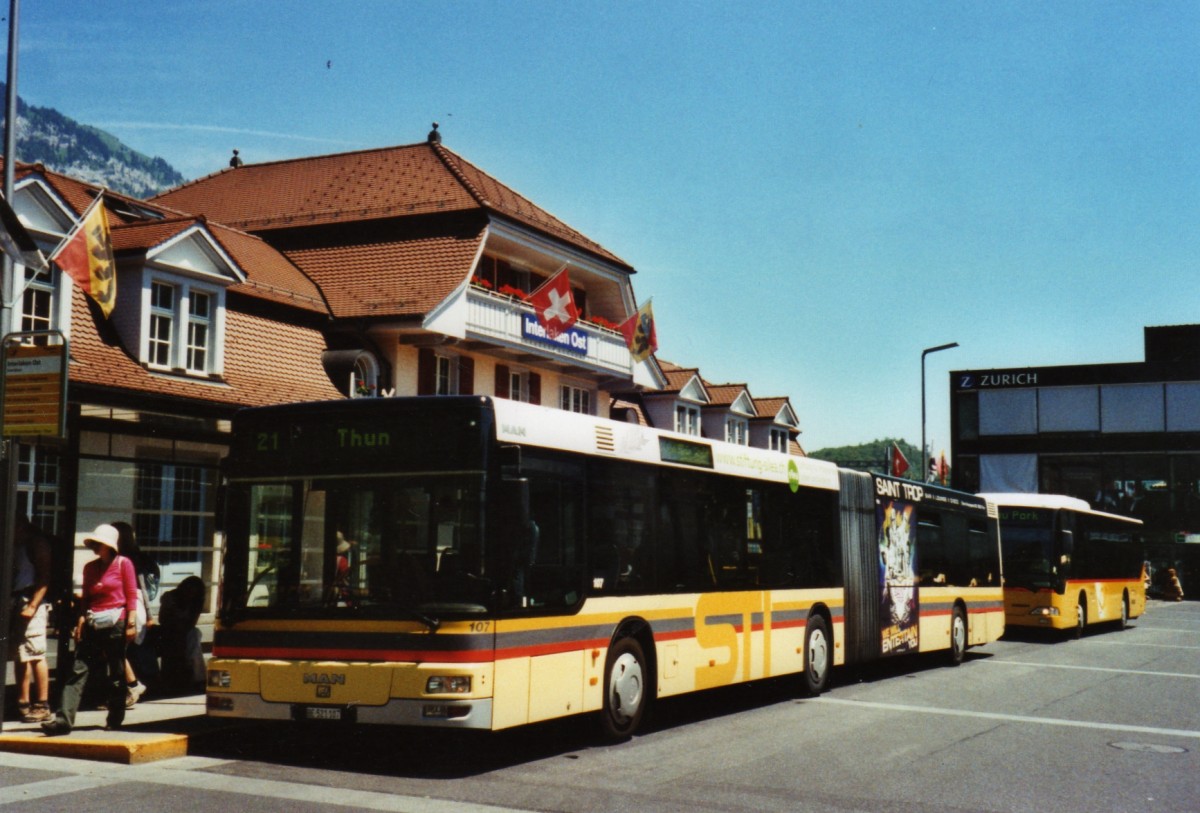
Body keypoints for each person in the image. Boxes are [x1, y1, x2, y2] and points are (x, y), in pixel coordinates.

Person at [42, 524, 138, 736]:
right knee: (78, 669)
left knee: (116, 671)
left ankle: (115, 717)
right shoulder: (90, 568)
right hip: (94, 622)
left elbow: (131, 596)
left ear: (109, 545)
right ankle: (63, 720)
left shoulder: (124, 564)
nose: (95, 547)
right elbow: (86, 598)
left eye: (99, 543)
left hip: (117, 622)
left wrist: (131, 623)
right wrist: (81, 621)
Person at [10, 515, 53, 724]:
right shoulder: (16, 545)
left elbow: (45, 576)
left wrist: (33, 605)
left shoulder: (36, 544)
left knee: (36, 653)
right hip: (17, 599)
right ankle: (23, 700)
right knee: (21, 653)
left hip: (31, 599)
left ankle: (42, 703)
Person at [113, 521, 159, 706]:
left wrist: (149, 615)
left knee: (127, 650)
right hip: (125, 606)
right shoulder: (121, 556)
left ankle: (133, 687)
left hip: (133, 606)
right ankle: (132, 687)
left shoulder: (130, 558)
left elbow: (141, 588)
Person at [156, 576, 206, 694]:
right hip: (169, 631)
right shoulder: (170, 597)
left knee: (194, 636)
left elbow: (192, 622)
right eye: (189, 589)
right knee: (184, 642)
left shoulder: (197, 601)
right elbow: (163, 619)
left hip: (185, 631)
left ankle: (198, 678)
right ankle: (196, 679)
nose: (190, 593)